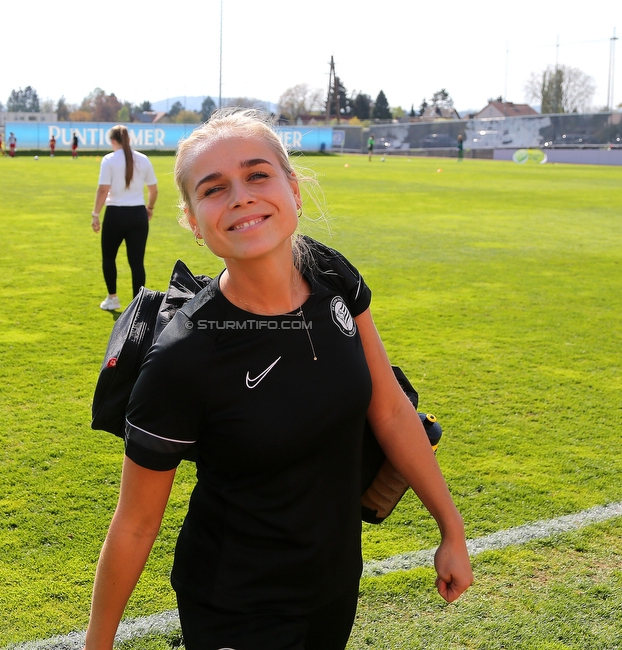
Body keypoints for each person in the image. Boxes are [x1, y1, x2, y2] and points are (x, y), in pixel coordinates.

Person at [83, 109, 472, 650]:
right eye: (214, 188)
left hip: (334, 588)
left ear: (294, 189)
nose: (240, 196)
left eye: (257, 175)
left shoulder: (332, 276)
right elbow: (135, 524)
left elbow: (388, 409)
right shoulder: (184, 356)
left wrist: (450, 528)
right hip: (236, 608)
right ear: (194, 222)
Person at [91, 125, 157, 310]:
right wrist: (150, 208)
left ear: (113, 141)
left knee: (109, 258)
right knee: (137, 262)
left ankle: (112, 298)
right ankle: (138, 305)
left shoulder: (109, 160)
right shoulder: (143, 159)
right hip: (138, 214)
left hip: (115, 214)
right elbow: (153, 190)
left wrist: (95, 214)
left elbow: (103, 189)